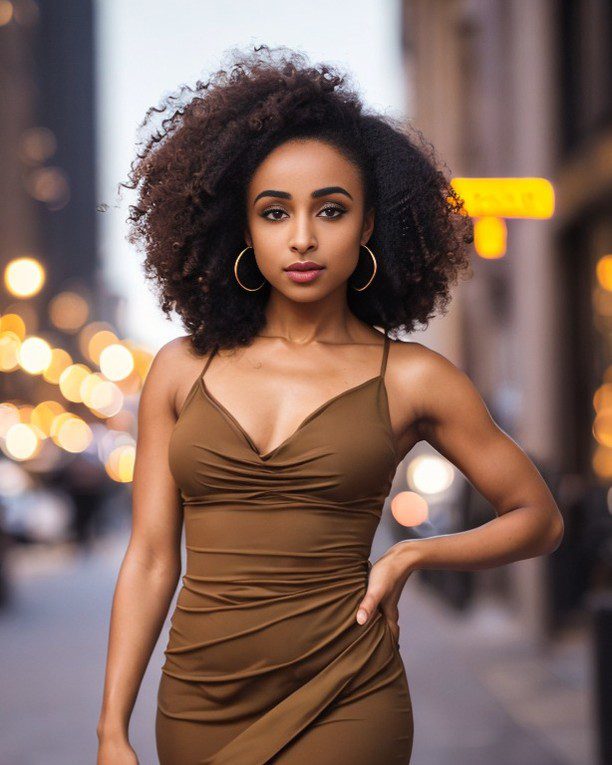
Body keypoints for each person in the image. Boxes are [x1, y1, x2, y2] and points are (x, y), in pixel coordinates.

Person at [96, 45, 565, 765]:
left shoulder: (413, 377)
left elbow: (539, 517)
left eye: (331, 209)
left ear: (369, 224)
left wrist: (413, 554)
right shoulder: (179, 370)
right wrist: (110, 728)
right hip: (198, 701)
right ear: (243, 229)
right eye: (275, 212)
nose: (304, 237)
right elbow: (153, 557)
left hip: (350, 693)